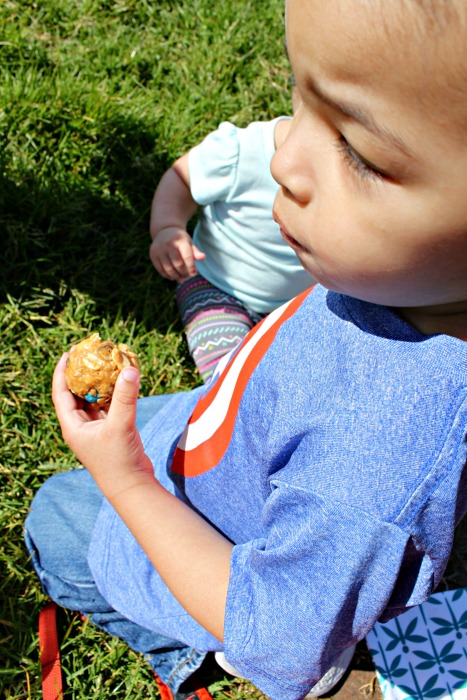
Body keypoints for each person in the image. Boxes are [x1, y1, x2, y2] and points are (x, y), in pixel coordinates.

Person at [24, 1, 467, 699]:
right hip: (227, 444)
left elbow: (278, 635)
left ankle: (217, 656)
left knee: (56, 516)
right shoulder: (399, 283)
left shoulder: (372, 457)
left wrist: (126, 479)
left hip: (238, 561)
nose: (283, 160)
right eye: (298, 99)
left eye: (357, 150)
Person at [149, 90, 310, 382]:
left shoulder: (347, 178)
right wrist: (168, 226)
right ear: (299, 92)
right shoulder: (241, 152)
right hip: (217, 286)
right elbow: (183, 177)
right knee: (229, 373)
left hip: (300, 305)